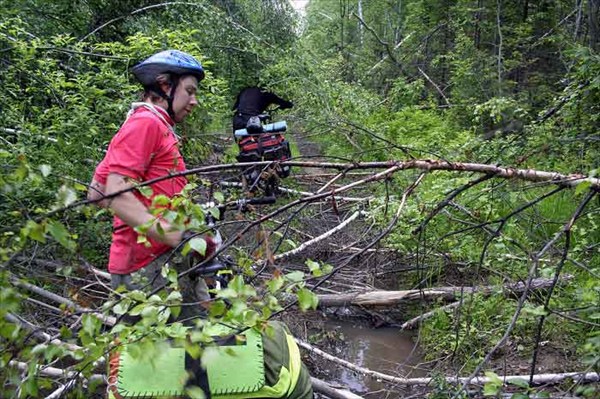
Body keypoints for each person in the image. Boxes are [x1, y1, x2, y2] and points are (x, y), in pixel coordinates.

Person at [89, 49, 215, 297]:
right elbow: (115, 193)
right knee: (198, 334)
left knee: (200, 328)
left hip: (158, 260)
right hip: (148, 267)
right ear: (165, 86)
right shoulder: (145, 124)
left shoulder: (147, 124)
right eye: (189, 91)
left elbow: (97, 192)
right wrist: (177, 236)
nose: (194, 101)